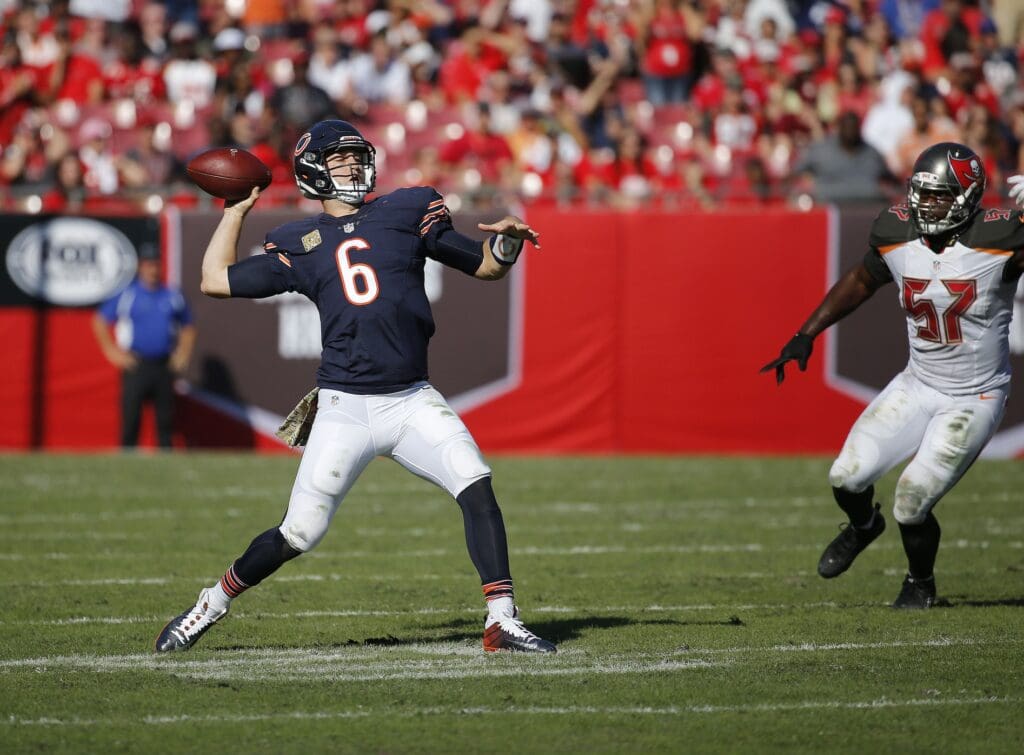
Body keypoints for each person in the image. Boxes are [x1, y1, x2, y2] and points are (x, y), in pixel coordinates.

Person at [155, 119, 555, 654]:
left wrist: (505, 248)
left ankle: (502, 619)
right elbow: (215, 279)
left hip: (412, 398)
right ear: (311, 172)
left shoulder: (407, 209)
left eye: (354, 155)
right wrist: (235, 210)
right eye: (337, 158)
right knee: (299, 533)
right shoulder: (299, 241)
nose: (350, 165)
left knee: (475, 483)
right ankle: (210, 603)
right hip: (345, 407)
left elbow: (484, 268)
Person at [762, 142, 1024, 608]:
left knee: (912, 499)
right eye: (920, 193)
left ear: (967, 195)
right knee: (846, 477)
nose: (925, 204)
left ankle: (920, 582)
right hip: (918, 382)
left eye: (938, 195)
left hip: (975, 396)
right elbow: (863, 278)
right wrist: (807, 332)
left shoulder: (1001, 237)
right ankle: (864, 525)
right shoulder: (897, 230)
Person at [92, 245, 196, 449]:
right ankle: (127, 460)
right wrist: (112, 352)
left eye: (156, 265)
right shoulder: (129, 294)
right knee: (131, 417)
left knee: (165, 419)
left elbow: (188, 326)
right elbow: (100, 320)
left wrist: (183, 354)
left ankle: (165, 462)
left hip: (163, 364)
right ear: (141, 267)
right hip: (136, 364)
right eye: (148, 265)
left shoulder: (171, 295)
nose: (153, 270)